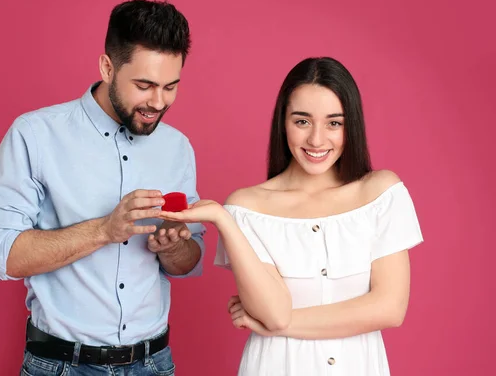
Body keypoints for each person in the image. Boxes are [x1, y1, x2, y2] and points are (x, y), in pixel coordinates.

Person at [0, 0, 205, 376]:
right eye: (144, 85)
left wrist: (174, 247)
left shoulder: (177, 147)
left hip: (154, 363)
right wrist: (104, 230)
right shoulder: (35, 135)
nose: (158, 102)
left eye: (170, 86)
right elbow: (0, 255)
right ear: (107, 67)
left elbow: (189, 260)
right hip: (63, 365)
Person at [158, 57, 424, 375]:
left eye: (334, 123)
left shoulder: (381, 193)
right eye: (302, 121)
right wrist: (223, 219)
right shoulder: (248, 207)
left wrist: (278, 325)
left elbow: (389, 308)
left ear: (351, 125)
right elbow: (273, 310)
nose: (316, 139)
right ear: (283, 122)